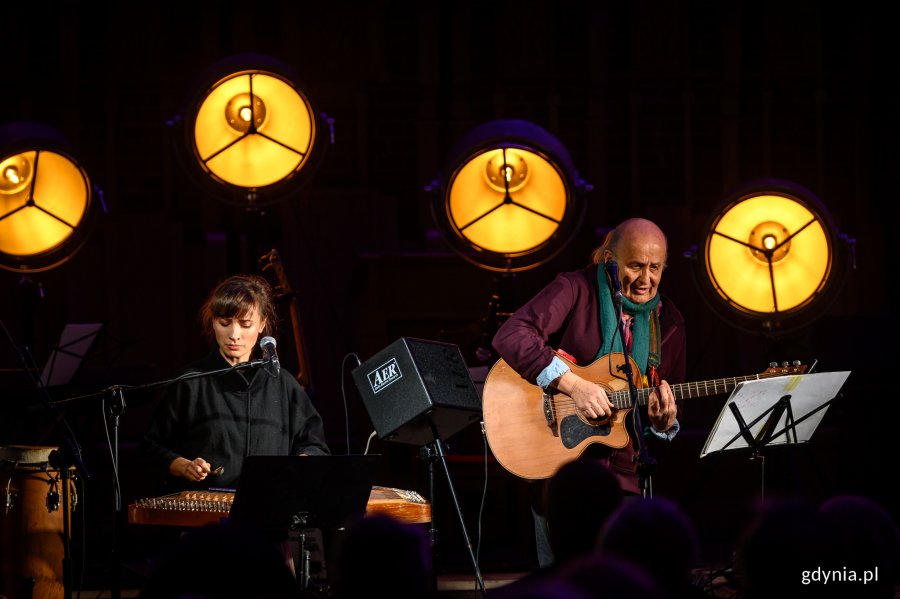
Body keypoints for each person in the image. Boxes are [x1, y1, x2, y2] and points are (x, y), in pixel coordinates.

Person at [492, 217, 686, 567]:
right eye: (635, 265)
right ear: (610, 259)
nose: (646, 279)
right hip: (560, 469)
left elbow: (668, 408)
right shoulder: (576, 288)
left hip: (626, 478)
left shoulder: (668, 321)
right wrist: (573, 384)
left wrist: (664, 422)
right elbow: (512, 335)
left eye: (655, 267)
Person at [140, 274, 330, 493]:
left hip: (271, 508)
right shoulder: (191, 382)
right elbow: (151, 447)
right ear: (213, 322)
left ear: (262, 325)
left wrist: (300, 463)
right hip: (207, 514)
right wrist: (183, 466)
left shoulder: (283, 383)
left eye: (245, 324)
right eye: (225, 323)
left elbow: (315, 445)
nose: (234, 335)